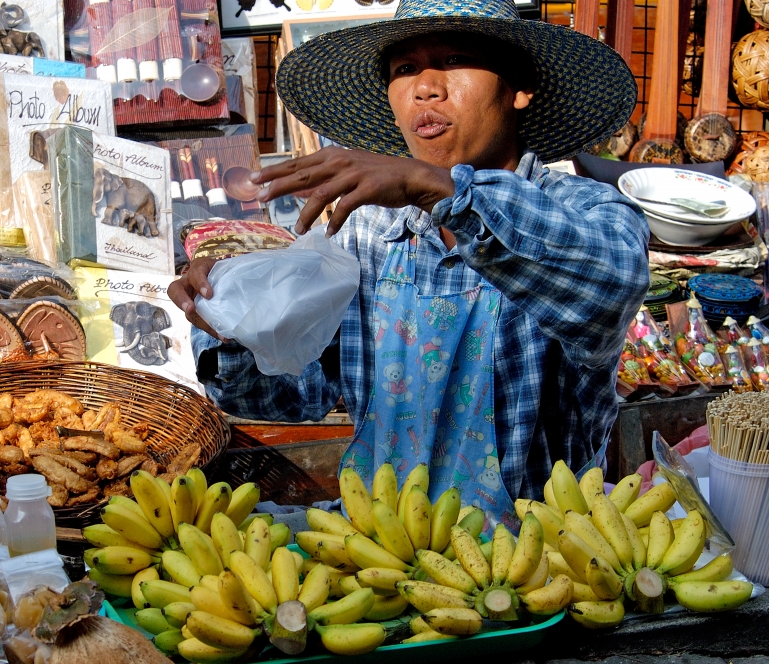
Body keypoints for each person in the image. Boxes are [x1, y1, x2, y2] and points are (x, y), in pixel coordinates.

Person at [168, 0, 650, 529]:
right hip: (383, 552)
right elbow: (293, 394)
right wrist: (236, 318)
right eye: (405, 70)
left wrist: (443, 190)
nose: (426, 87)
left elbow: (610, 284)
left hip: (533, 569)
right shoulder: (368, 234)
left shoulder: (585, 211)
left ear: (519, 87)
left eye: (455, 59)